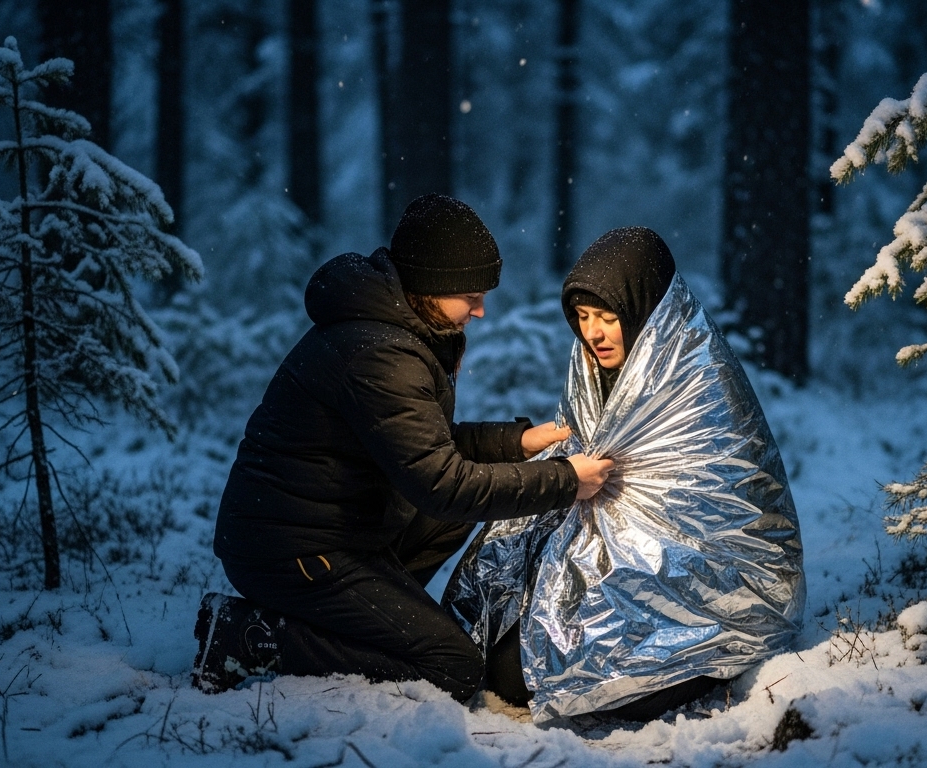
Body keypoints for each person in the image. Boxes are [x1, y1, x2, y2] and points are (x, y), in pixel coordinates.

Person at [192, 194, 614, 700]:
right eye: (471, 295)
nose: (481, 310)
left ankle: (378, 622)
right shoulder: (381, 353)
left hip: (334, 531)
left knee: (449, 519)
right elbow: (442, 484)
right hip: (292, 551)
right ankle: (249, 638)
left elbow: (422, 447)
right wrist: (566, 481)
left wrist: (515, 442)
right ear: (430, 286)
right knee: (454, 668)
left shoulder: (396, 331)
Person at [445, 227, 805, 723]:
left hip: (706, 579)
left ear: (646, 314)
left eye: (608, 318)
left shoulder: (698, 384)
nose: (593, 333)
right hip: (609, 552)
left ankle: (692, 662)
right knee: (487, 638)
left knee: (522, 672)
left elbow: (702, 509)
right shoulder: (593, 366)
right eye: (583, 317)